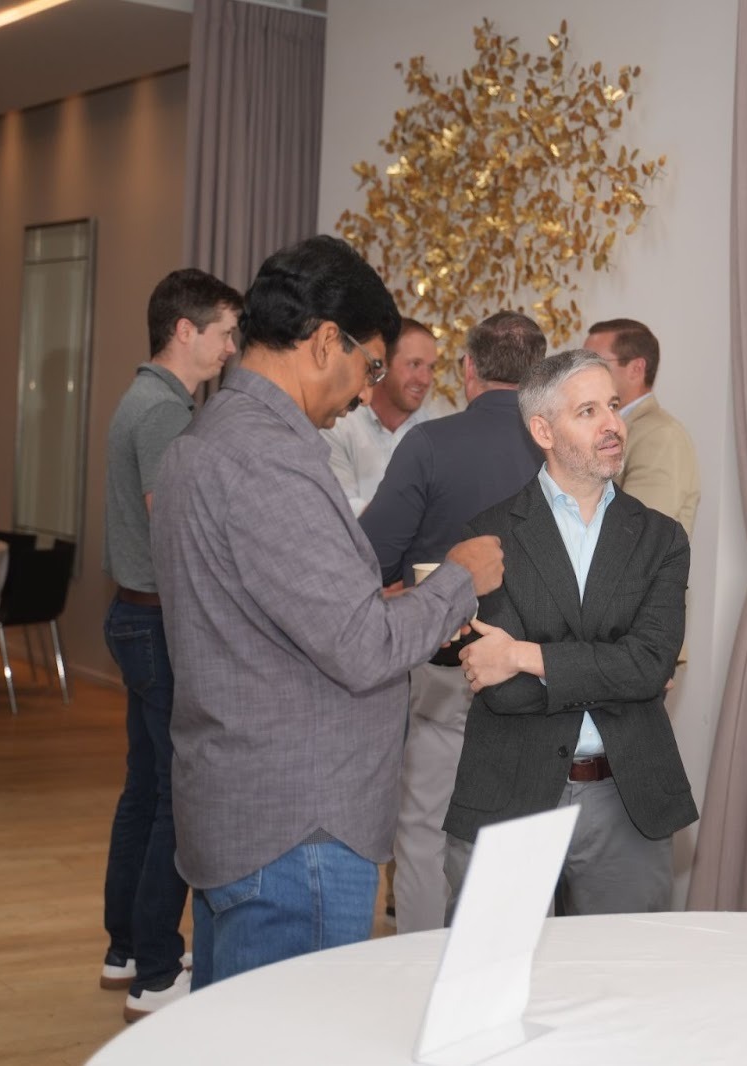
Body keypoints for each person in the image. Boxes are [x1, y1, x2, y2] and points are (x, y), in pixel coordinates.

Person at [150, 235, 504, 988]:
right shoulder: (271, 457)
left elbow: (254, 614)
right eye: (370, 365)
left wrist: (373, 602)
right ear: (322, 343)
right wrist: (459, 580)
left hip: (240, 803)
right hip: (299, 825)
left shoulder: (208, 439)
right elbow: (362, 649)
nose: (361, 394)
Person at [445, 350, 694, 918]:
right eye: (588, 411)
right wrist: (605, 667)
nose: (612, 423)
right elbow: (499, 686)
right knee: (494, 990)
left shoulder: (661, 539)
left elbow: (650, 666)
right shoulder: (490, 535)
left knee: (625, 989)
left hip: (627, 797)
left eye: (612, 405)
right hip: (510, 788)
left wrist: (527, 654)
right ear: (543, 430)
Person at [358, 311, 546, 933]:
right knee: (524, 836)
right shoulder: (564, 447)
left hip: (446, 661)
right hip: (537, 669)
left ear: (468, 369)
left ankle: (419, 971)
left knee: (424, 827)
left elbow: (369, 556)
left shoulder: (430, 444)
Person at [99, 267, 240, 1021]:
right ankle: (156, 969)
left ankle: (127, 946)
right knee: (174, 803)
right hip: (158, 622)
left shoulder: (148, 398)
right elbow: (173, 523)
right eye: (223, 332)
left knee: (146, 789)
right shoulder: (162, 411)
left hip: (135, 617)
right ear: (186, 330)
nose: (229, 347)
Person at [583, 318, 700, 535]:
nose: (581, 373)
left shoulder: (661, 436)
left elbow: (635, 531)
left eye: (595, 363)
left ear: (636, 368)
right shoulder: (594, 427)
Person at [321, 316, 436, 515]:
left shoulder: (436, 432)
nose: (425, 379)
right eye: (414, 364)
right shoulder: (338, 423)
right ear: (383, 365)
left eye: (431, 367)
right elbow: (339, 509)